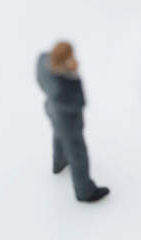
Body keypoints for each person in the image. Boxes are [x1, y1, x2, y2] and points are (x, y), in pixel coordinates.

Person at [36, 42, 110, 202]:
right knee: (78, 155)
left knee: (58, 135)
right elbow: (79, 103)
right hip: (68, 120)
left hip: (51, 109)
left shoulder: (42, 60)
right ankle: (85, 192)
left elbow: (40, 81)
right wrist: (73, 73)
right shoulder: (67, 83)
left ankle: (59, 163)